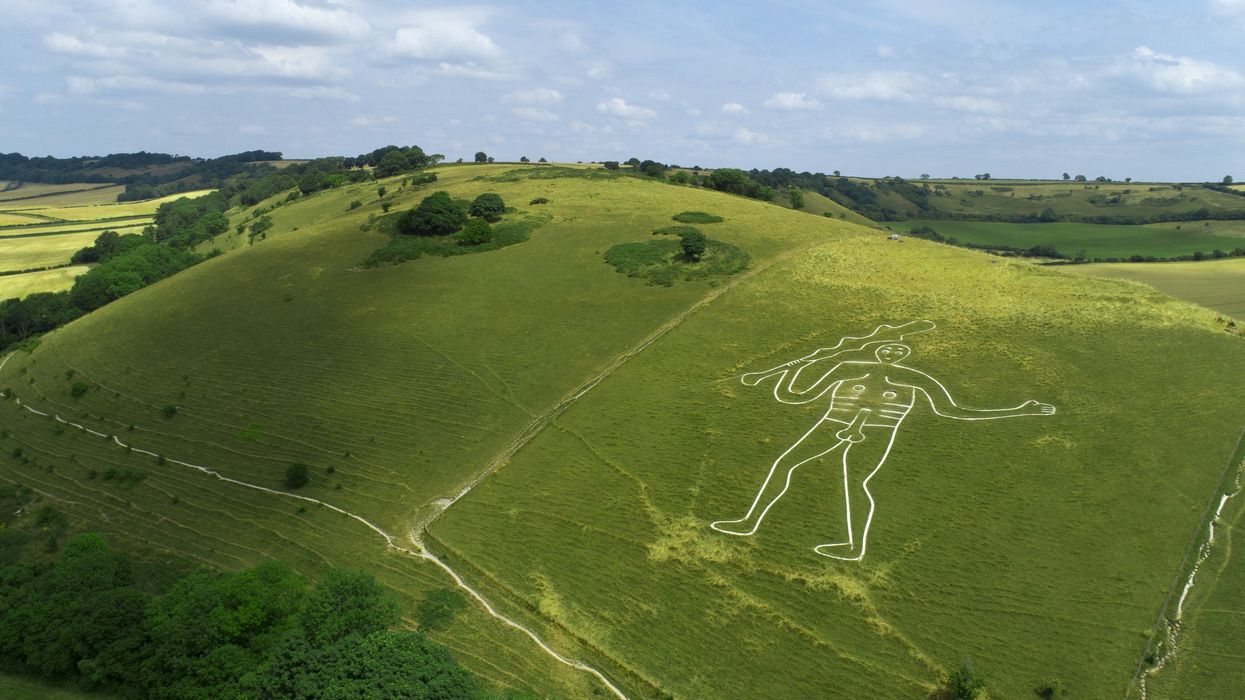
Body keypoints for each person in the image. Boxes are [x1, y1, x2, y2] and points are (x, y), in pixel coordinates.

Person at [710, 321, 1055, 561]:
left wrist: (1019, 410)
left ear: (902, 355)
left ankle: (851, 544)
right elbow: (797, 397)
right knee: (785, 463)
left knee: (856, 483)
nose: (891, 351)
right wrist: (790, 371)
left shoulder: (912, 379)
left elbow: (954, 411)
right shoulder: (846, 368)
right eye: (887, 346)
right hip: (832, 423)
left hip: (876, 433)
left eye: (897, 348)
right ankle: (748, 522)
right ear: (878, 350)